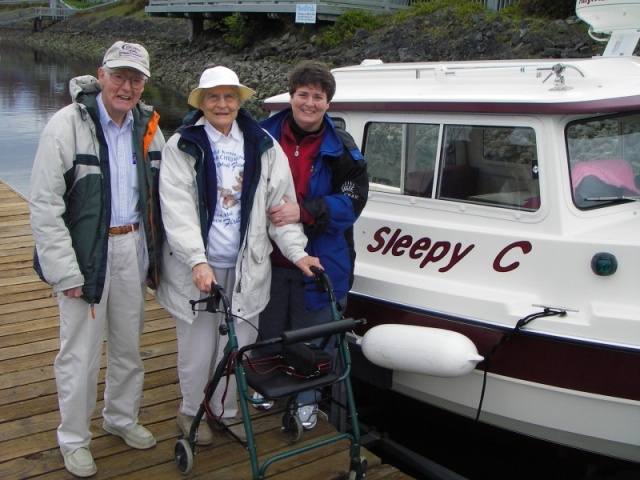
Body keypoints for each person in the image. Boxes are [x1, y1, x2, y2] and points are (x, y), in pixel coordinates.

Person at [155, 65, 322, 446]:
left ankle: (225, 412)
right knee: (198, 349)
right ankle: (191, 411)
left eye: (229, 96)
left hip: (249, 267)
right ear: (201, 102)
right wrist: (197, 260)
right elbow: (177, 212)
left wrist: (298, 253)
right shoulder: (182, 144)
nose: (222, 104)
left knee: (237, 347)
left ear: (239, 101)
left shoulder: (262, 143)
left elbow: (279, 207)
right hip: (198, 268)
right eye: (213, 97)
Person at [29, 41, 164, 477]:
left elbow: (166, 195)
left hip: (133, 247)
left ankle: (121, 417)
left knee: (129, 346)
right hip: (86, 252)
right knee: (79, 354)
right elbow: (44, 205)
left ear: (144, 84)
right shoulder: (65, 125)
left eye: (136, 78)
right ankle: (74, 439)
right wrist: (64, 270)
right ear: (101, 75)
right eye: (120, 76)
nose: (127, 86)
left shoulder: (150, 126)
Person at [255, 60, 369, 429]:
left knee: (316, 338)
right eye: (302, 94)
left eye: (317, 97)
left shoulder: (345, 151)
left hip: (321, 259)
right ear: (290, 97)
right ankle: (264, 386)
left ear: (328, 103)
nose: (309, 103)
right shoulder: (260, 135)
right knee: (265, 328)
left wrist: (303, 212)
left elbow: (350, 204)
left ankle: (306, 399)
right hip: (267, 258)